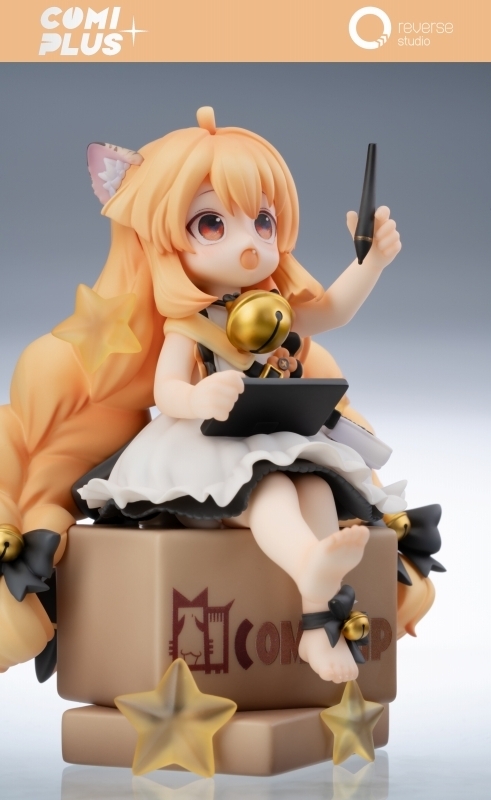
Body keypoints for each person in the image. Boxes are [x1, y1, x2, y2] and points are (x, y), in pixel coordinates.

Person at [0, 107, 433, 682]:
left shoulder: (273, 311)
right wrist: (199, 400)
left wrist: (372, 262)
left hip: (264, 439)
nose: (249, 245)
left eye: (263, 221)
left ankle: (318, 621)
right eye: (211, 224)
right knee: (272, 488)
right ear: (166, 240)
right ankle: (308, 564)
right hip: (200, 462)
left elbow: (332, 311)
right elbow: (167, 391)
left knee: (316, 489)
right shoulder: (189, 323)